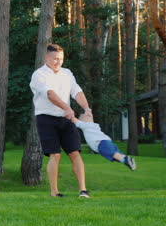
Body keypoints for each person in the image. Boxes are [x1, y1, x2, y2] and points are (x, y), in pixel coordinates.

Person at [30, 44, 92, 198]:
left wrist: (87, 109)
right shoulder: (39, 75)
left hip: (66, 119)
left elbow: (76, 91)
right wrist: (66, 107)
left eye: (61, 59)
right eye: (55, 59)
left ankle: (83, 190)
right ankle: (54, 192)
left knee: (75, 152)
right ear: (47, 58)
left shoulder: (67, 73)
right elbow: (50, 94)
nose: (58, 62)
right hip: (46, 119)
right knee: (55, 155)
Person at [72, 113, 136, 170]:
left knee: (112, 154)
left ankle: (126, 160)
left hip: (102, 143)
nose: (80, 119)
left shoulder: (86, 125)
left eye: (81, 118)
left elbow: (73, 119)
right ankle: (126, 159)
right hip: (106, 142)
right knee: (114, 155)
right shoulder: (93, 125)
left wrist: (66, 112)